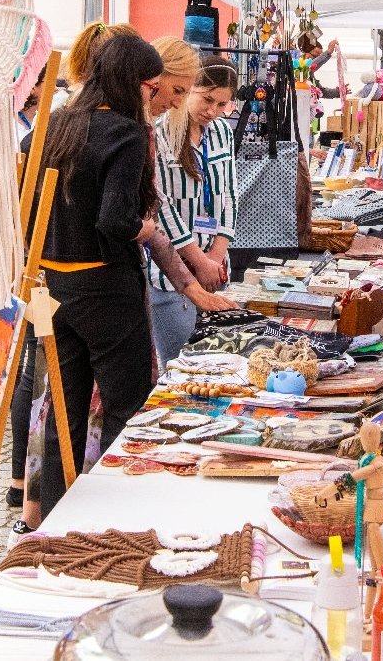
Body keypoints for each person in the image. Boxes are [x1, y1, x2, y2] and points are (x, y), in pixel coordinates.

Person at [30, 34, 168, 513]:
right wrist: (142, 228)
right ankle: (114, 516)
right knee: (125, 408)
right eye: (152, 89)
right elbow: (113, 220)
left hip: (54, 285)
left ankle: (52, 516)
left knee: (62, 414)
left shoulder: (56, 125)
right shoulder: (125, 134)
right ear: (134, 84)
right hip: (106, 290)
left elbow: (31, 201)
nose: (152, 100)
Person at [149, 59, 239, 362]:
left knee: (215, 362)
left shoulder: (222, 133)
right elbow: (161, 206)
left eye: (221, 104)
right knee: (178, 366)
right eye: (207, 99)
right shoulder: (159, 132)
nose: (212, 110)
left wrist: (214, 257)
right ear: (189, 90)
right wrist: (197, 259)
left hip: (215, 269)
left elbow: (228, 195)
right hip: (172, 273)